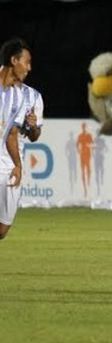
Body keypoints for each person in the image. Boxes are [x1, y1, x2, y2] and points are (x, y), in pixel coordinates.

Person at [0, 38, 32, 241]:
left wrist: (18, 165)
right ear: (14, 60)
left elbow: (12, 133)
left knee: (2, 230)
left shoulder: (19, 97)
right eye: (26, 62)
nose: (29, 68)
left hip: (5, 163)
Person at [76, 122, 93, 197]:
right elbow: (77, 144)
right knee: (83, 171)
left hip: (88, 154)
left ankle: (89, 184)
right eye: (83, 127)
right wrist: (79, 151)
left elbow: (93, 144)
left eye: (85, 127)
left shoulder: (89, 135)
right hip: (82, 155)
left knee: (88, 170)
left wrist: (89, 146)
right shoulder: (80, 136)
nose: (84, 128)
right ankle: (85, 188)